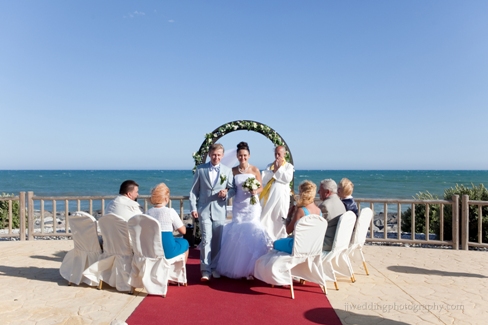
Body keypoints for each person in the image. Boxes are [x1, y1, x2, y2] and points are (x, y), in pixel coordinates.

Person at [216, 142, 272, 280]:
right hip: (239, 206)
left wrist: (255, 191)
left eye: (245, 155)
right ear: (237, 156)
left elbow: (261, 188)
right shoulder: (233, 171)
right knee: (238, 231)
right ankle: (236, 267)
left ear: (249, 155)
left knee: (253, 230)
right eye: (240, 155)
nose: (242, 158)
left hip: (252, 206)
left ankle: (252, 268)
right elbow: (230, 187)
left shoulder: (255, 170)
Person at [189, 143, 235, 282]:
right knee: (206, 239)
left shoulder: (227, 171)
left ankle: (214, 267)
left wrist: (226, 193)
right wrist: (193, 208)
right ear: (209, 154)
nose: (216, 157)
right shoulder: (201, 169)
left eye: (219, 155)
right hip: (203, 210)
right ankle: (205, 270)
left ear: (222, 155)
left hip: (219, 210)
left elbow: (233, 189)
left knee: (216, 241)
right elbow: (193, 191)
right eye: (214, 154)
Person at [273, 180, 322, 254]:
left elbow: (288, 230)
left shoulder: (301, 211)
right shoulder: (319, 211)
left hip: (298, 245)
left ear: (303, 193)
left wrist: (289, 215)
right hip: (313, 245)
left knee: (275, 243)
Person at [146, 183, 189, 262]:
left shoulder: (148, 212)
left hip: (152, 250)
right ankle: (180, 272)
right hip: (168, 251)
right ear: (166, 198)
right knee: (185, 243)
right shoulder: (170, 212)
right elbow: (183, 231)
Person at [259, 145, 294, 241]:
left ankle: (279, 238)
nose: (277, 156)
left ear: (284, 154)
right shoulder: (269, 165)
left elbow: (287, 178)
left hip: (281, 198)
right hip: (269, 196)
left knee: (279, 217)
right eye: (275, 154)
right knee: (267, 217)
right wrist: (274, 171)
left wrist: (278, 170)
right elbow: (264, 178)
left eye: (279, 154)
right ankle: (266, 238)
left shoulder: (288, 166)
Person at [318, 179, 346, 251]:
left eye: (320, 190)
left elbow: (317, 228)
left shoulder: (325, 206)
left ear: (327, 192)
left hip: (326, 243)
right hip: (339, 242)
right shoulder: (340, 202)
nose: (318, 192)